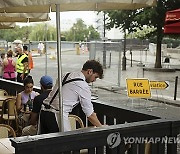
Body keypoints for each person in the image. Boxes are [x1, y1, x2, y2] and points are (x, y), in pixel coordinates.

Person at [39, 60, 104, 134]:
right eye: (95, 77)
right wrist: (101, 127)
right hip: (57, 115)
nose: (94, 80)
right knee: (64, 143)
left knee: (46, 144)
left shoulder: (66, 75)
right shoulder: (83, 86)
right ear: (90, 71)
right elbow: (90, 115)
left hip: (44, 111)